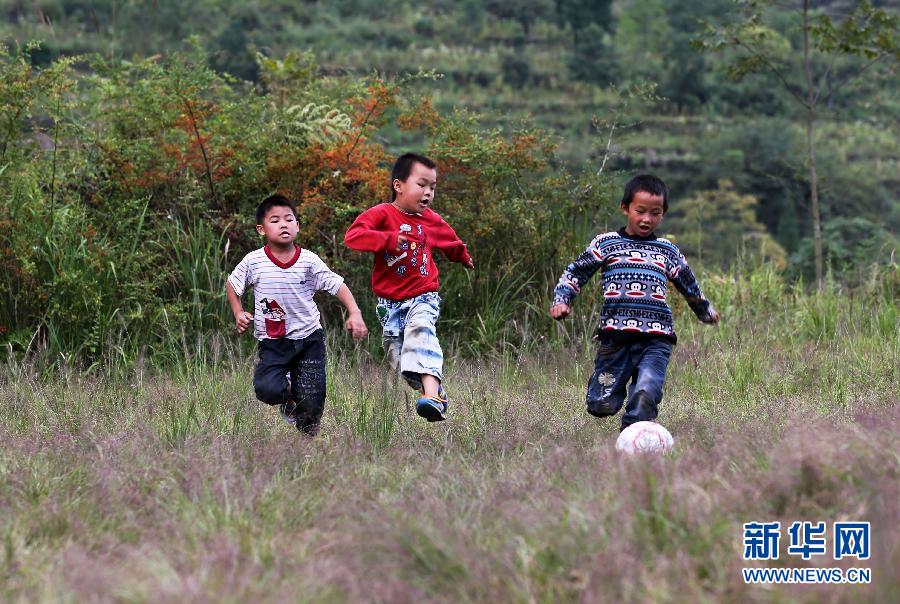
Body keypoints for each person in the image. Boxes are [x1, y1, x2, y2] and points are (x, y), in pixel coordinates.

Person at [550, 174, 720, 431]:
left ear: (663, 214)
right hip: (615, 338)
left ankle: (635, 437)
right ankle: (605, 395)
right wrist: (562, 300)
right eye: (640, 211)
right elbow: (576, 272)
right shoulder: (606, 243)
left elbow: (688, 284)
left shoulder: (667, 250)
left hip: (656, 338)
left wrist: (704, 310)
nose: (646, 219)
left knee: (645, 393)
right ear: (625, 208)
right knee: (601, 404)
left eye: (655, 213)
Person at [344, 152, 474, 422]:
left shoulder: (430, 220)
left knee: (421, 335)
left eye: (433, 187)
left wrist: (462, 256)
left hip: (423, 297)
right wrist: (388, 239)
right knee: (401, 362)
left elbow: (450, 241)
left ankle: (430, 398)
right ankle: (434, 391)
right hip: (389, 306)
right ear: (398, 185)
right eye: (421, 184)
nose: (428, 192)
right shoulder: (381, 214)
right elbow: (354, 237)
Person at [226, 194, 368, 435]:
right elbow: (233, 283)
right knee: (267, 389)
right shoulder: (254, 261)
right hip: (273, 342)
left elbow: (337, 284)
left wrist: (354, 312)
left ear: (297, 226)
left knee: (312, 401)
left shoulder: (309, 261)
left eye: (289, 219)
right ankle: (289, 398)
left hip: (309, 339)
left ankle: (306, 448)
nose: (284, 224)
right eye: (275, 220)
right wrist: (238, 312)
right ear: (261, 229)